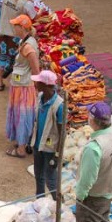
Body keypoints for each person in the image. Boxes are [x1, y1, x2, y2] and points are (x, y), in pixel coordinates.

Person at [5, 14, 40, 158]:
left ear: (22, 28)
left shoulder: (28, 47)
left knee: (22, 116)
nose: (14, 28)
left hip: (24, 87)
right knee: (21, 115)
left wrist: (36, 87)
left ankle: (21, 149)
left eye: (16, 26)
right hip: (20, 85)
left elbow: (36, 70)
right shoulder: (24, 41)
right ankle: (23, 142)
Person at [0, 0, 37, 91]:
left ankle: (0, 83)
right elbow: (34, 17)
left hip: (3, 32)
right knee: (16, 62)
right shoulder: (26, 3)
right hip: (16, 36)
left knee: (1, 58)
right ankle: (15, 84)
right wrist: (41, 12)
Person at [30, 70, 64, 200]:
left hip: (50, 149)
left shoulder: (59, 106)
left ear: (45, 85)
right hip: (38, 145)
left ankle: (59, 204)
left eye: (38, 82)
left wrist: (57, 154)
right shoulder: (40, 97)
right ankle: (40, 202)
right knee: (38, 176)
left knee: (50, 179)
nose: (36, 83)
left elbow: (62, 133)